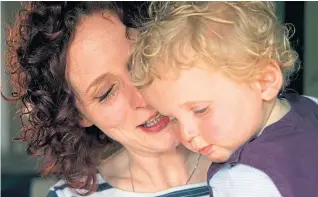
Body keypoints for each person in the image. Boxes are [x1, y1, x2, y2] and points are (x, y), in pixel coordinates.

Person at [5, 2, 212, 197]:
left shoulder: (242, 160)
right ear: (77, 114)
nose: (143, 96)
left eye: (141, 60)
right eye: (106, 93)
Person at [130, 2, 318, 197]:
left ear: (265, 81)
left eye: (200, 110)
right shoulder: (311, 106)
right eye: (173, 118)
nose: (186, 134)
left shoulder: (244, 181)